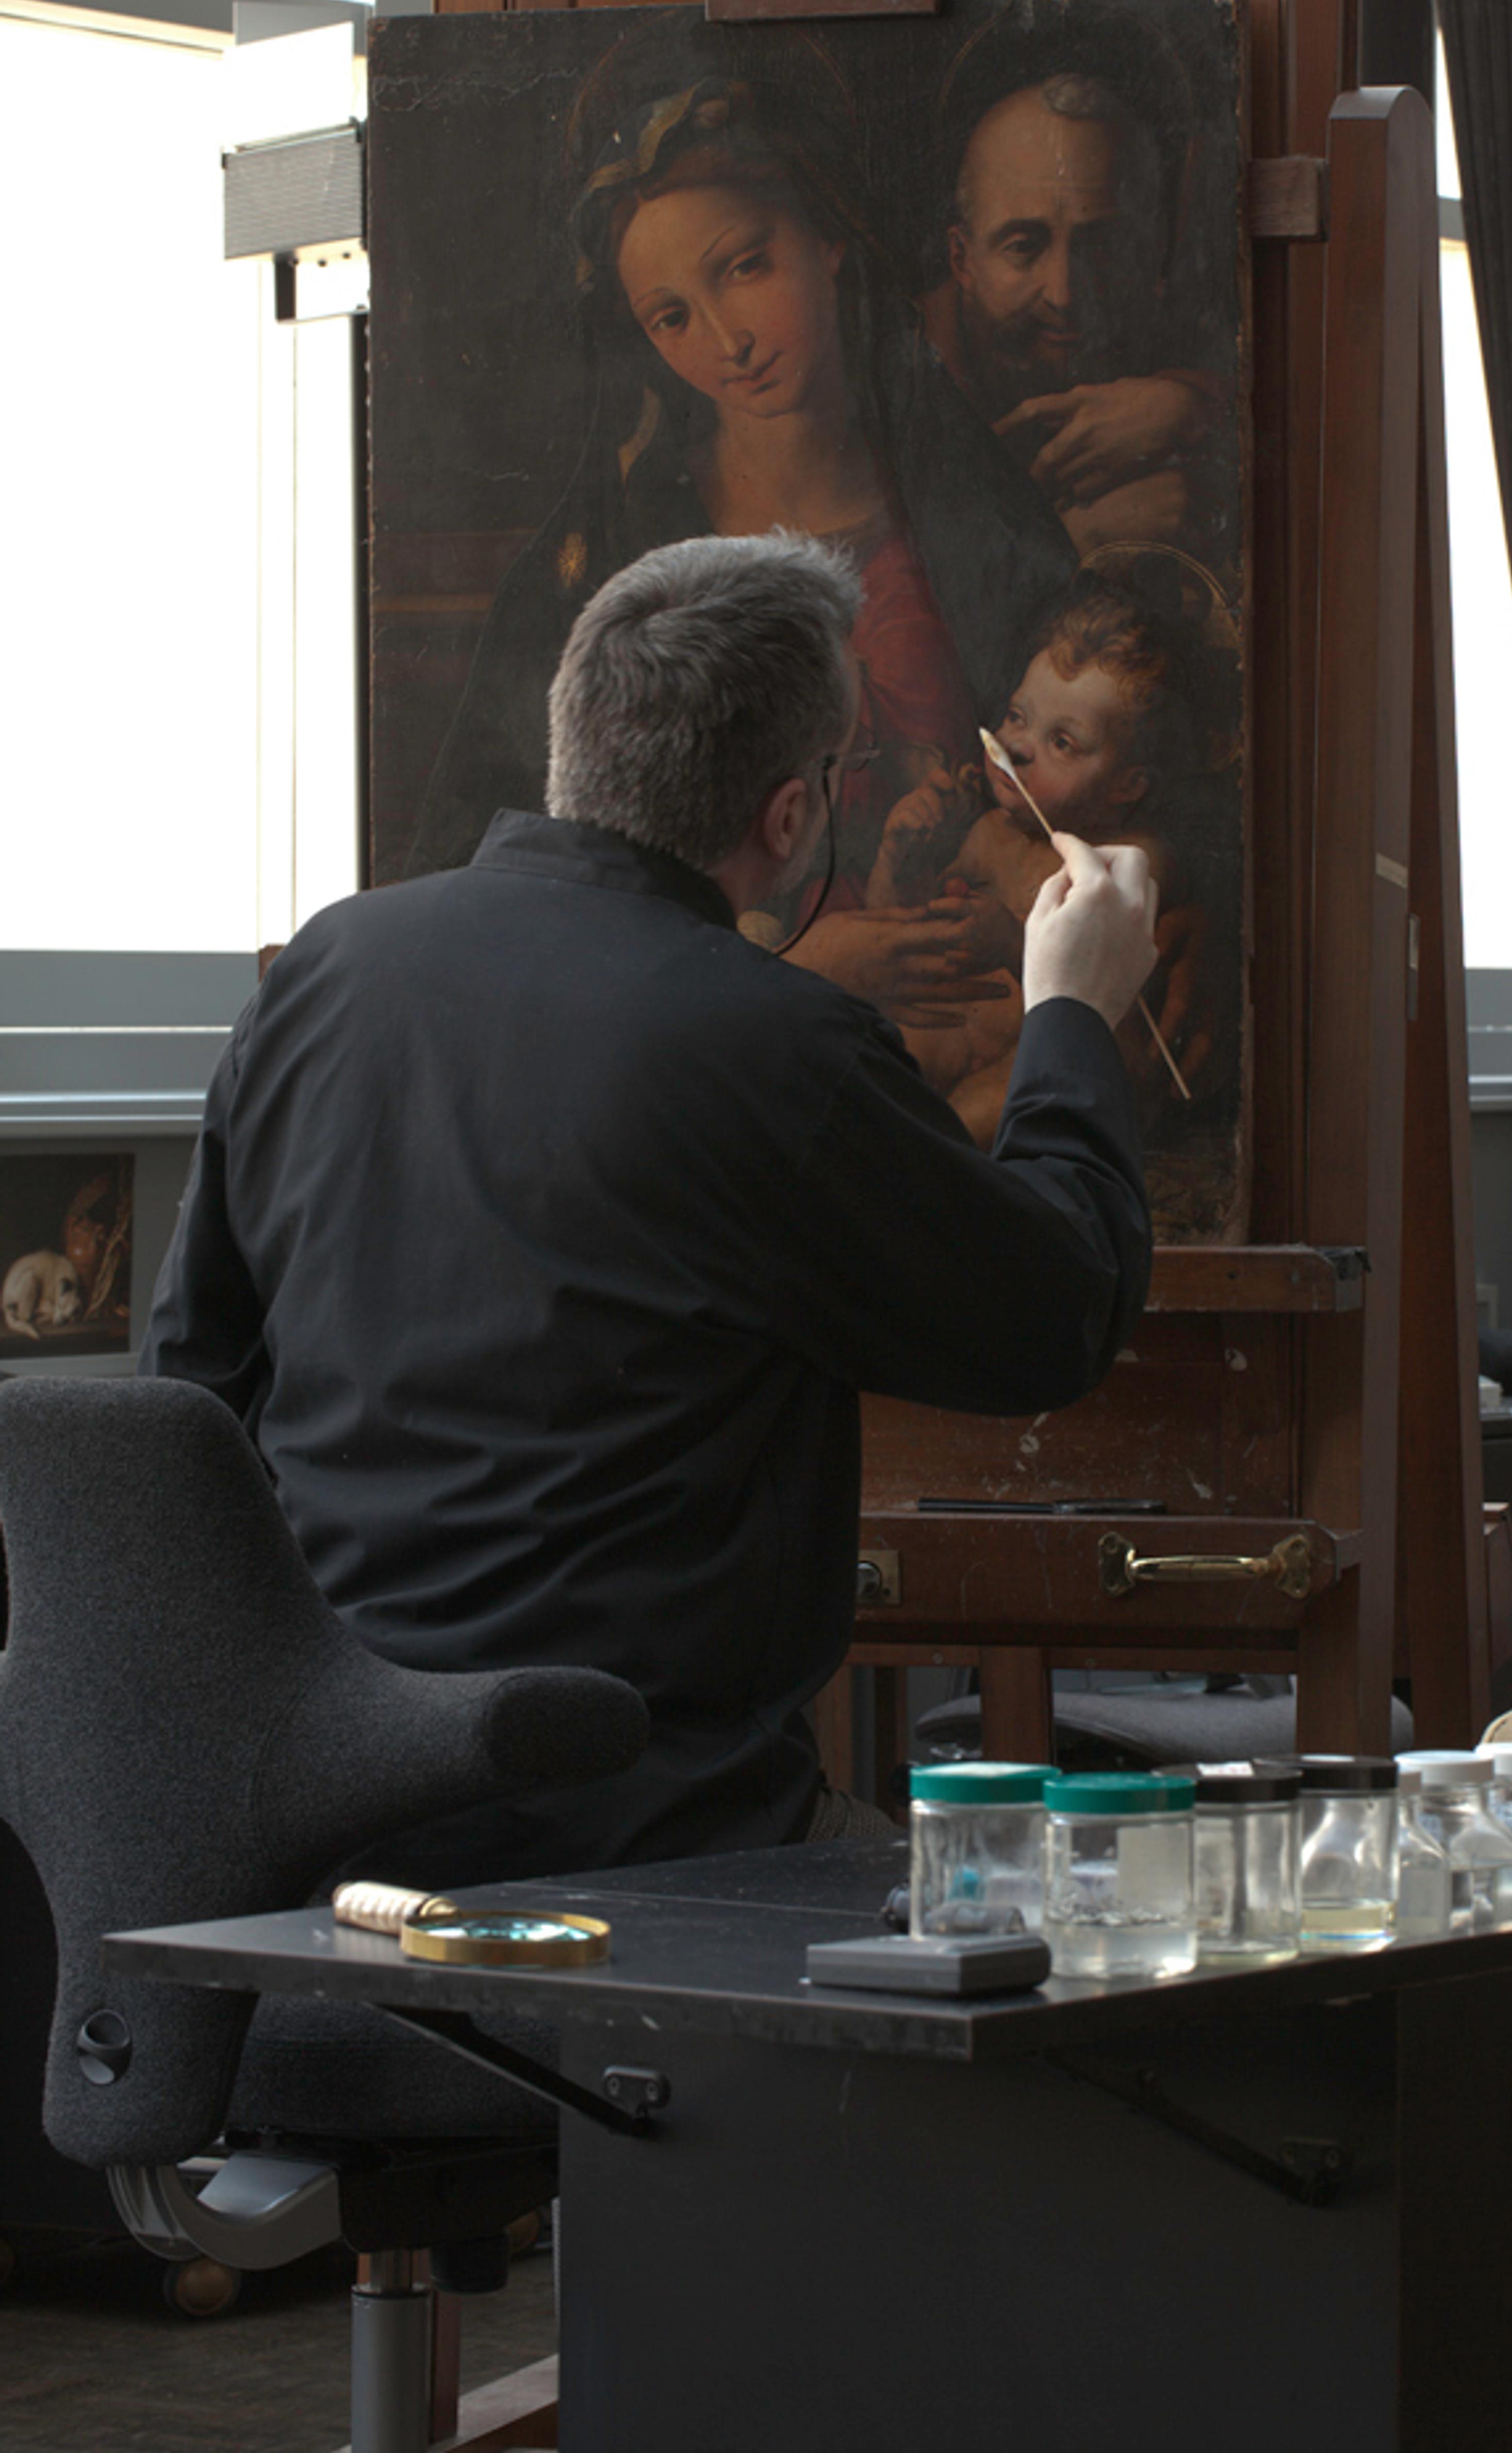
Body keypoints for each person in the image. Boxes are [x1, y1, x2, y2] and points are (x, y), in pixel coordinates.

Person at [142, 532, 1157, 1885]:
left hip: (312, 1845)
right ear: (790, 815)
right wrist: (1073, 1009)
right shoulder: (777, 1045)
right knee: (1045, 1928)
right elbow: (1058, 1313)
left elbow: (186, 1392)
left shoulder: (327, 968)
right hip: (648, 1850)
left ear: (576, 742)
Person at [407, 60, 1075, 1051]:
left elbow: (1100, 763)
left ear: (828, 237)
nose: (729, 340)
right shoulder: (611, 557)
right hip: (695, 1053)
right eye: (671, 316)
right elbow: (512, 883)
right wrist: (797, 971)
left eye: (745, 266)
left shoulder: (975, 517)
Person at [867, 573, 1200, 1143]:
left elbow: (1094, 985)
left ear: (1126, 784)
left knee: (967, 1123)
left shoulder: (1133, 860)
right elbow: (905, 943)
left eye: (1061, 742)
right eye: (1018, 717)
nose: (1017, 747)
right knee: (880, 1071)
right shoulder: (990, 835)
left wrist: (1009, 942)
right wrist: (894, 862)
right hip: (965, 1034)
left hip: (1059, 1062)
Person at [917, 72, 1228, 559]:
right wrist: (1078, 545)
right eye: (1024, 247)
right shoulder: (896, 380)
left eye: (1101, 247)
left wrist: (1190, 406)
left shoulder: (1181, 332)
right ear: (962, 260)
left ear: (1153, 250)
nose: (1064, 295)